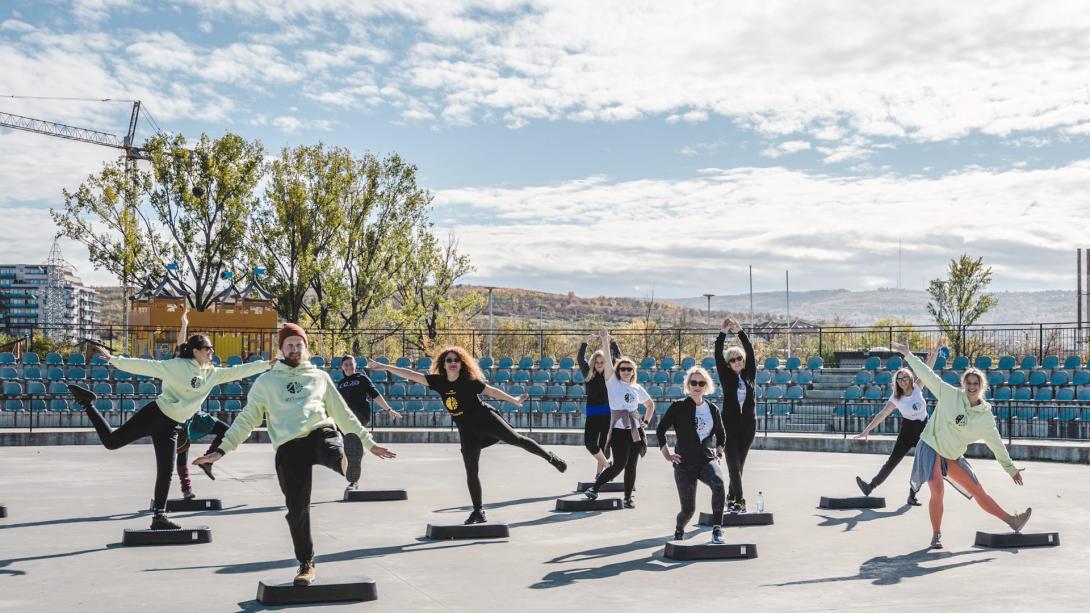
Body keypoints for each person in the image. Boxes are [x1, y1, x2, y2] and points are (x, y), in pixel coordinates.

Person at [194, 324, 396, 586]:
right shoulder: (266, 381)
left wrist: (368, 444)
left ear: (306, 347)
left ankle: (347, 464)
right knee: (297, 509)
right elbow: (247, 419)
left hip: (318, 432)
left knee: (331, 447)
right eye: (289, 345)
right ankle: (306, 562)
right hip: (288, 445)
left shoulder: (319, 377)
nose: (294, 349)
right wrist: (221, 449)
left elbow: (343, 414)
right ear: (280, 349)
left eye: (298, 344)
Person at [67, 307, 273, 530]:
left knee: (166, 471)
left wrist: (266, 365)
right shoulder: (176, 366)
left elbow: (238, 371)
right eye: (208, 349)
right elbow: (144, 366)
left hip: (173, 426)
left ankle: (159, 517)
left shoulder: (212, 373)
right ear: (195, 351)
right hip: (155, 414)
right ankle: (87, 402)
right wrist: (115, 359)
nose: (212, 352)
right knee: (111, 442)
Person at [370, 346, 568, 525]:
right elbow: (411, 375)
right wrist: (383, 366)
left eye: (456, 360)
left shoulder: (469, 381)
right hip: (466, 430)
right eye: (449, 360)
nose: (453, 363)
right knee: (471, 470)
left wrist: (514, 400)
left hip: (485, 419)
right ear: (443, 364)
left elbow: (491, 391)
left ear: (461, 363)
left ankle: (550, 457)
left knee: (516, 439)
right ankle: (478, 511)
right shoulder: (437, 381)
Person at [891, 341, 1032, 550]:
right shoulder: (950, 395)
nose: (972, 386)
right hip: (931, 446)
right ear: (964, 384)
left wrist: (1010, 469)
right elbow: (928, 376)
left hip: (952, 455)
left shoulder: (985, 418)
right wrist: (908, 355)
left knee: (978, 491)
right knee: (937, 490)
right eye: (969, 383)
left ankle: (1012, 521)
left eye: (976, 383)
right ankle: (936, 534)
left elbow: (997, 445)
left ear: (982, 386)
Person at [853, 345, 940, 506]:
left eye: (905, 377)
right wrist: (867, 430)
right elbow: (882, 414)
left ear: (910, 378)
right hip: (908, 430)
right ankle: (870, 487)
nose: (902, 381)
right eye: (899, 379)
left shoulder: (917, 387)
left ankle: (912, 495)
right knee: (892, 461)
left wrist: (934, 354)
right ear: (896, 382)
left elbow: (927, 370)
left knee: (922, 463)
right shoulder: (896, 398)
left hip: (924, 429)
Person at [583, 329, 654, 508]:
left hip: (635, 431)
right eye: (623, 368)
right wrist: (606, 341)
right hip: (618, 430)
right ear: (618, 370)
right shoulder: (612, 382)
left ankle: (628, 498)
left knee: (632, 466)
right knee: (619, 464)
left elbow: (650, 405)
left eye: (629, 369)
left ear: (633, 371)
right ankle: (595, 487)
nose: (626, 371)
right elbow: (608, 358)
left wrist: (645, 422)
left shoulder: (637, 387)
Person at [656, 366, 726, 543]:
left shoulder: (713, 409)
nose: (697, 386)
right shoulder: (678, 406)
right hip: (684, 463)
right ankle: (679, 529)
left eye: (701, 383)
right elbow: (660, 430)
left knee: (719, 483)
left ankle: (717, 529)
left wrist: (719, 450)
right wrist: (667, 455)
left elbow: (721, 433)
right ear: (688, 385)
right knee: (688, 510)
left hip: (706, 460)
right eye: (694, 382)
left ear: (706, 386)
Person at [336, 355, 402, 492]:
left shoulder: (361, 378)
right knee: (348, 449)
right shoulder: (340, 384)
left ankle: (356, 457)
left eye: (351, 364)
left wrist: (388, 409)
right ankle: (354, 474)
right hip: (345, 419)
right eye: (346, 365)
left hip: (360, 415)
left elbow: (375, 394)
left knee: (352, 441)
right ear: (342, 367)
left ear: (355, 366)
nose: (348, 367)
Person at [714, 315, 757, 512]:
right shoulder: (726, 377)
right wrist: (723, 333)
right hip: (729, 426)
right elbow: (717, 353)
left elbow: (750, 351)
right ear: (729, 364)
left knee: (739, 466)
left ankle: (731, 498)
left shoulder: (749, 375)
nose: (737, 361)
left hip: (748, 426)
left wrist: (740, 331)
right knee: (732, 465)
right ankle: (739, 500)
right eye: (733, 360)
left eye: (739, 358)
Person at [577, 334, 622, 477]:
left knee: (603, 446)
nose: (600, 364)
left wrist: (612, 342)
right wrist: (585, 341)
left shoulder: (611, 374)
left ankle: (599, 475)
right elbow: (580, 359)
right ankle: (608, 466)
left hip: (608, 414)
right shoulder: (588, 373)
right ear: (593, 363)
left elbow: (619, 358)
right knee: (590, 444)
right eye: (597, 362)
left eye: (602, 361)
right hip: (592, 414)